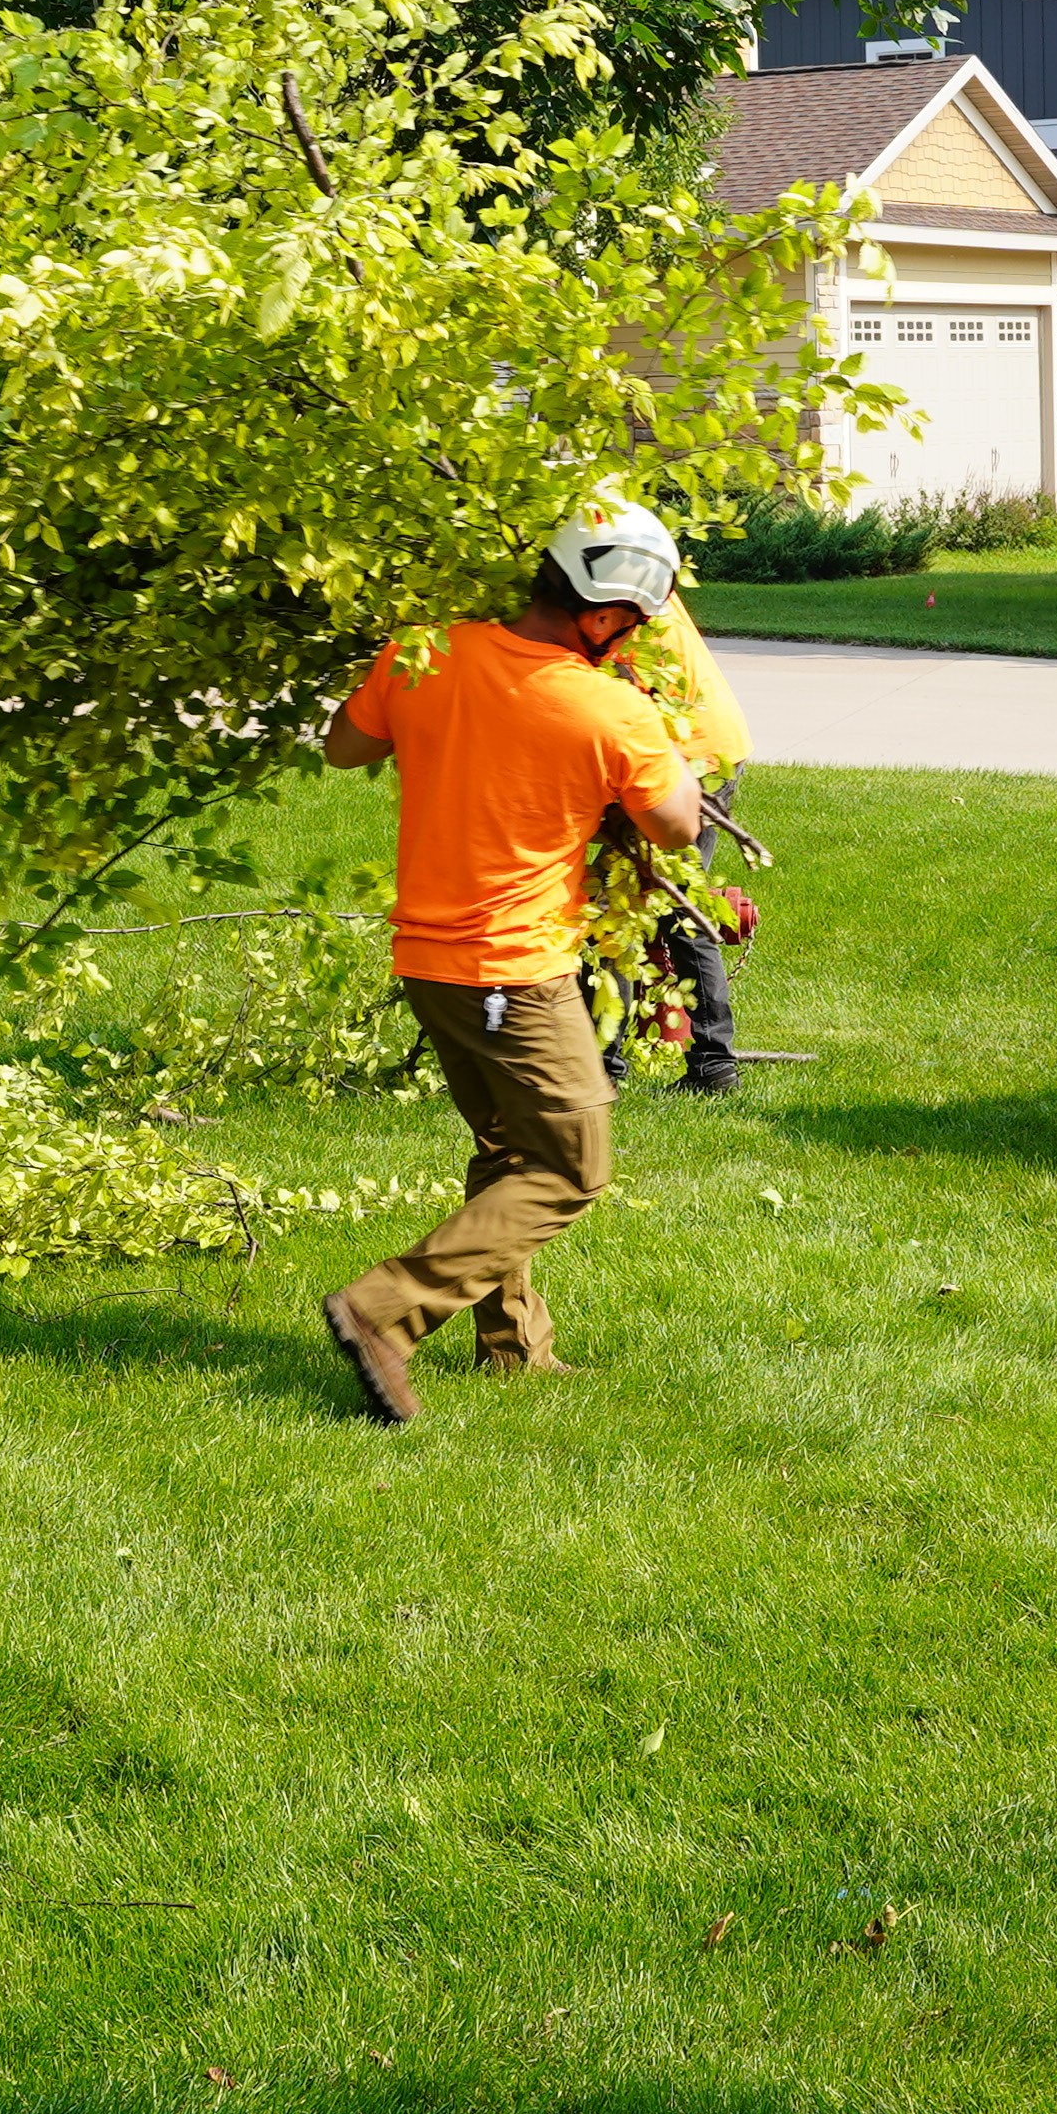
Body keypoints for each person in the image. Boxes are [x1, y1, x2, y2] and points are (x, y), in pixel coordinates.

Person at [314, 499, 708, 1422]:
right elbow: (679, 822)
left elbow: (343, 746)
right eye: (634, 626)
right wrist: (662, 742)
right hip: (511, 971)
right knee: (572, 1163)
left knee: (507, 1148)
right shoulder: (610, 709)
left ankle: (515, 1349)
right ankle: (383, 1312)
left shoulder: (425, 653)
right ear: (606, 614)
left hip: (428, 961)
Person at [610, 589, 755, 1093]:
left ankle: (609, 1066)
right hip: (711, 747)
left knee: (624, 912)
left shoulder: (604, 601)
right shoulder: (632, 574)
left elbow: (614, 702)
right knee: (676, 909)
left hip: (685, 760)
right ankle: (710, 1064)